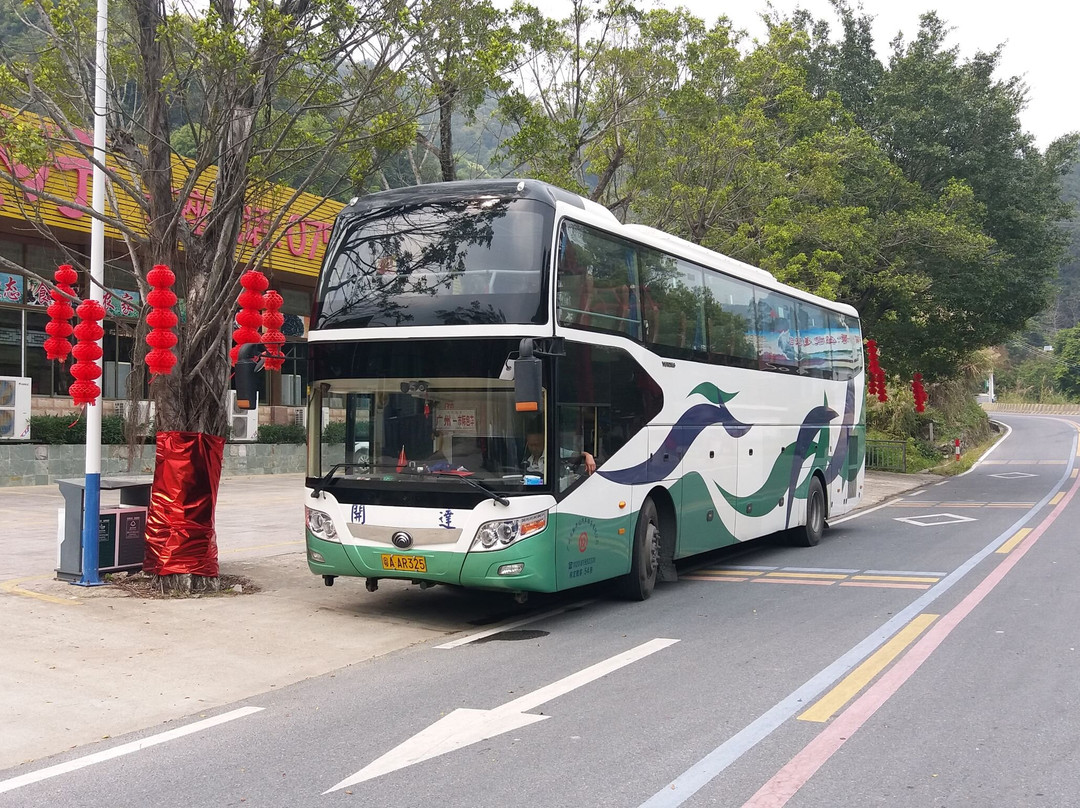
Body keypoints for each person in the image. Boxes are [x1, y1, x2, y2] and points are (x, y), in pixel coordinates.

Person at [524, 432, 596, 476]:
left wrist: (588, 455)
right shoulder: (525, 459)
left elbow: (576, 454)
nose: (534, 448)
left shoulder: (556, 452)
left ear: (544, 443)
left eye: (537, 445)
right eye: (531, 445)